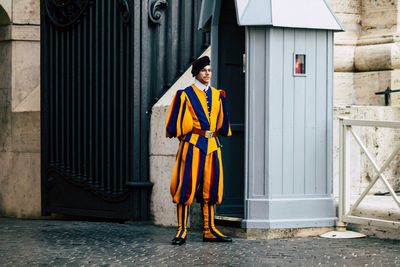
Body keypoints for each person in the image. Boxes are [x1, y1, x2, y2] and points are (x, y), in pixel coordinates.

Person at [165, 56, 232, 245]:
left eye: (210, 70)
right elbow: (176, 124)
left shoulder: (218, 95)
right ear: (196, 73)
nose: (208, 73)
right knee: (185, 186)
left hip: (212, 145)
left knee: (211, 189)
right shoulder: (185, 94)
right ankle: (181, 231)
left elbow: (221, 123)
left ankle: (209, 230)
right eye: (204, 70)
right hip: (192, 144)